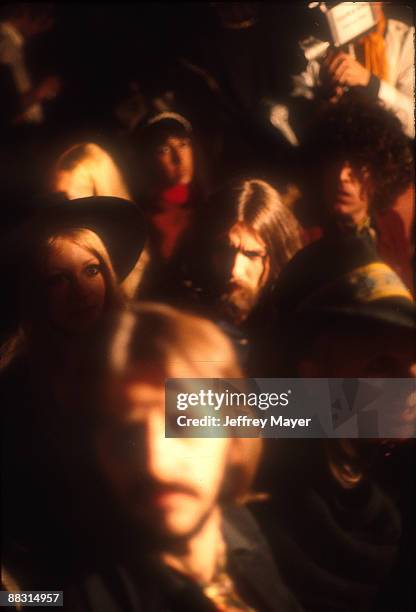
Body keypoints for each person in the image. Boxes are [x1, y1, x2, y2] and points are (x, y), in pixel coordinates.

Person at [59, 302, 302, 611]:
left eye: (184, 422)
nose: (156, 464)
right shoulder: (81, 598)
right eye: (125, 438)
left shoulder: (237, 526)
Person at [259, 237, 416, 612]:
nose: (410, 385)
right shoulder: (259, 459)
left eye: (415, 363)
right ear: (311, 371)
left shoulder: (398, 466)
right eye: (381, 365)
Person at [1, 195, 146, 585]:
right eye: (58, 279)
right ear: (36, 293)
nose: (80, 291)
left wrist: (330, 408)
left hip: (155, 570)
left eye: (91, 270)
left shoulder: (148, 355)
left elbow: (247, 413)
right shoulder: (14, 389)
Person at [142, 178, 302, 374]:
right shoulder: (175, 322)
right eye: (224, 250)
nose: (234, 269)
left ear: (276, 256)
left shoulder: (295, 330)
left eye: (251, 254)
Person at [290, 99, 414, 293]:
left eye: (357, 165)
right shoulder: (300, 234)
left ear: (380, 171)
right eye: (335, 163)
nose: (342, 176)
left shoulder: (392, 224)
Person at [292, 2, 415, 139]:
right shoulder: (318, 44)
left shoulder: (406, 39)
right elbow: (293, 118)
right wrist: (325, 95)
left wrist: (371, 84)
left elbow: (412, 123)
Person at [130, 112, 207, 262]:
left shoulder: (209, 200)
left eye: (183, 144)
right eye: (164, 150)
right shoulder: (147, 221)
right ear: (148, 160)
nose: (179, 158)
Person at [0, 3, 60, 128]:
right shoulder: (5, 43)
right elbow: (6, 106)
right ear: (26, 12)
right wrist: (40, 91)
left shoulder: (13, 44)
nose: (44, 28)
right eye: (43, 20)